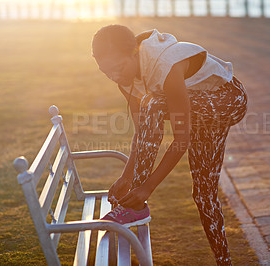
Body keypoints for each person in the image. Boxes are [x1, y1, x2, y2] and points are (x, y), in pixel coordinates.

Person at [92, 24, 247, 265]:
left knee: (153, 103)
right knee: (203, 195)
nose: (115, 77)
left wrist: (146, 188)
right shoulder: (123, 79)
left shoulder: (165, 64)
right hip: (195, 109)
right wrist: (126, 177)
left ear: (134, 51)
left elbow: (180, 140)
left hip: (228, 100)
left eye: (118, 68)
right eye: (106, 72)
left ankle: (137, 206)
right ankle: (224, 261)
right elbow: (142, 133)